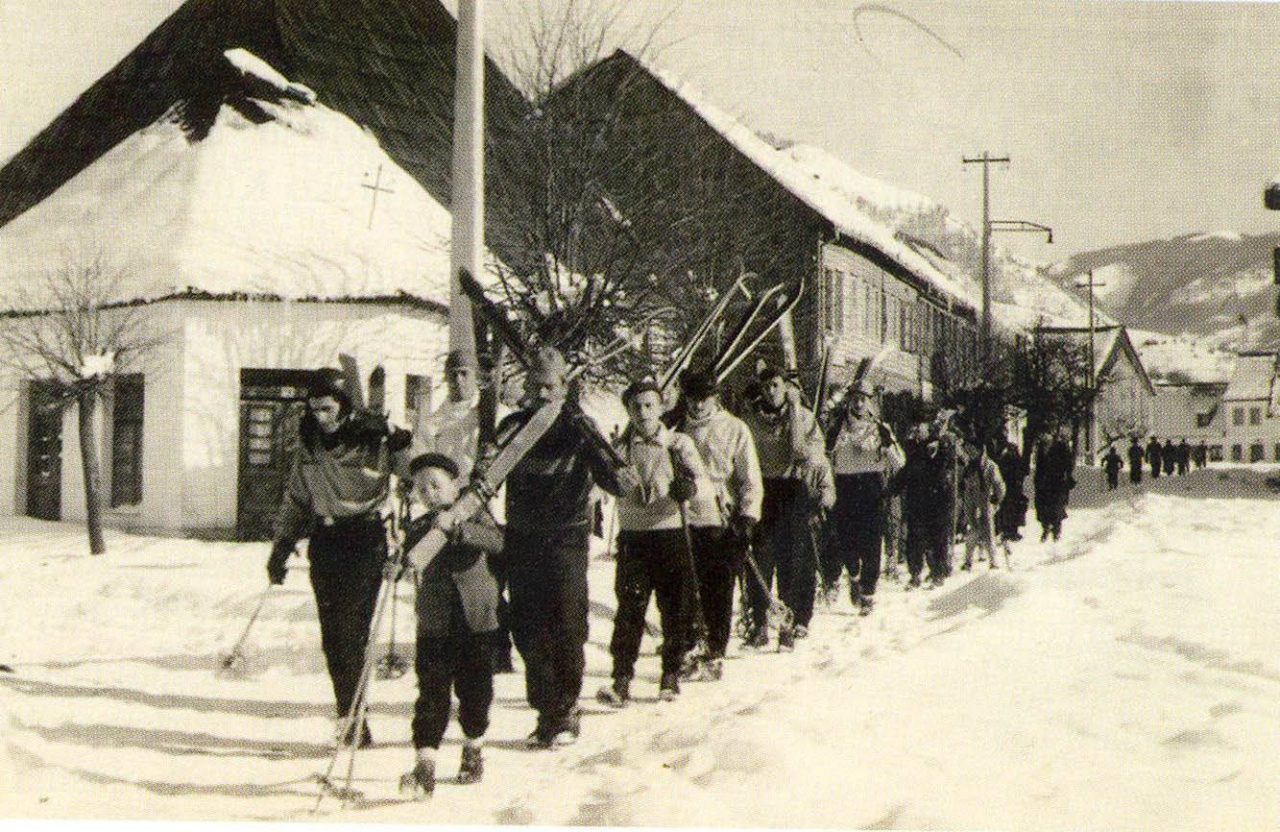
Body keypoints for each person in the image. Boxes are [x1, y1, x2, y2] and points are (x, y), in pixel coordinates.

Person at [267, 368, 413, 747]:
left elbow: (414, 474)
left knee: (352, 633)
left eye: (328, 409)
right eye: (314, 410)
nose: (321, 418)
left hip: (364, 539)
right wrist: (282, 545)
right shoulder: (310, 446)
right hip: (326, 541)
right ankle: (349, 714)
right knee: (334, 639)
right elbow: (297, 498)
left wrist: (401, 442)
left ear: (345, 407)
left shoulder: (372, 440)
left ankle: (354, 716)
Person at [494, 347, 628, 748]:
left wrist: (604, 455)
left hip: (566, 537)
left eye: (550, 386)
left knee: (568, 625)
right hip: (523, 536)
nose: (542, 394)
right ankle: (546, 710)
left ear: (564, 387)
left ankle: (565, 707)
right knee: (527, 627)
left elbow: (614, 481)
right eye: (536, 386)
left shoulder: (580, 427)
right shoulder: (514, 426)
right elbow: (487, 468)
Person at [398, 452, 503, 799]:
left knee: (475, 691)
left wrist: (461, 532)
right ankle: (425, 762)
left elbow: (498, 542)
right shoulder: (418, 527)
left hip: (476, 620)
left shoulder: (475, 515)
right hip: (435, 624)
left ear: (454, 486)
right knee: (431, 693)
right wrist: (396, 562)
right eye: (421, 487)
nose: (428, 492)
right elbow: (409, 558)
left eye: (435, 485)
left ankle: (473, 747)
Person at [596, 380, 706, 707]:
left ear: (660, 408)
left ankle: (670, 672)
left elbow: (701, 481)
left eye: (649, 406)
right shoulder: (618, 448)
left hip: (670, 533)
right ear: (628, 410)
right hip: (633, 537)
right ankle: (621, 678)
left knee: (674, 607)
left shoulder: (677, 444)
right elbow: (603, 487)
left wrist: (689, 486)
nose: (643, 413)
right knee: (630, 608)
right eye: (636, 407)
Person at [674, 369, 763, 681]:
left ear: (715, 397)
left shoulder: (734, 428)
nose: (698, 406)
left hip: (719, 517)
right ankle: (686, 647)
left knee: (717, 587)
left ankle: (715, 648)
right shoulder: (675, 426)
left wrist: (748, 517)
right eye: (691, 399)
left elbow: (749, 477)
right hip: (680, 517)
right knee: (682, 586)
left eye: (704, 399)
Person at [740, 366, 833, 648]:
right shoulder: (751, 420)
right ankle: (759, 624)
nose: (771, 392)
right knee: (761, 560)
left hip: (793, 491)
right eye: (766, 386)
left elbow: (809, 455)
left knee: (791, 562)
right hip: (763, 491)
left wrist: (794, 410)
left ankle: (788, 626)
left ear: (785, 388)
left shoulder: (803, 417)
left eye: (776, 386)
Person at [823, 381, 896, 615]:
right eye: (855, 397)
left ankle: (867, 594)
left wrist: (889, 446)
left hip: (872, 490)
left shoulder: (880, 429)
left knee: (872, 546)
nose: (859, 402)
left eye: (864, 398)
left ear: (870, 401)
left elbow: (899, 462)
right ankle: (853, 576)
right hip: (845, 489)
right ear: (849, 400)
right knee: (847, 545)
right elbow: (825, 459)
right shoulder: (836, 428)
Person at [888, 410, 965, 590]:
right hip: (916, 500)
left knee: (937, 537)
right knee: (914, 539)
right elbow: (908, 469)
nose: (915, 428)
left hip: (937, 500)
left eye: (919, 425)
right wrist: (894, 487)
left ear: (927, 426)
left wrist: (945, 447)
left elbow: (948, 466)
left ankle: (938, 572)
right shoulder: (912, 446)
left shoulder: (939, 444)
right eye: (913, 425)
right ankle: (915, 574)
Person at [960, 437, 1006, 570]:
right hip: (971, 504)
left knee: (988, 533)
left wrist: (997, 498)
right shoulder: (968, 466)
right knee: (973, 531)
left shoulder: (990, 466)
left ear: (979, 450)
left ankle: (993, 561)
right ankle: (968, 561)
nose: (970, 452)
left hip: (985, 503)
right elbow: (963, 483)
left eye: (972, 450)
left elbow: (999, 484)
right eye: (968, 450)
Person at [1034, 429, 1075, 542]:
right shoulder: (1041, 447)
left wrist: (1067, 475)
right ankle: (1045, 528)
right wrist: (1037, 481)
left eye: (1045, 434)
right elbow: (1039, 465)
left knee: (1057, 506)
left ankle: (1056, 531)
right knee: (1043, 506)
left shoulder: (1061, 446)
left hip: (1058, 482)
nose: (1043, 436)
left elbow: (1069, 462)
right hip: (1043, 482)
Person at [993, 437, 1028, 543]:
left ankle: (1010, 531)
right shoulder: (1007, 459)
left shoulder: (1009, 459)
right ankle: (1008, 531)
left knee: (1012, 511)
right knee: (1009, 511)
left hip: (1013, 490)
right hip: (1010, 489)